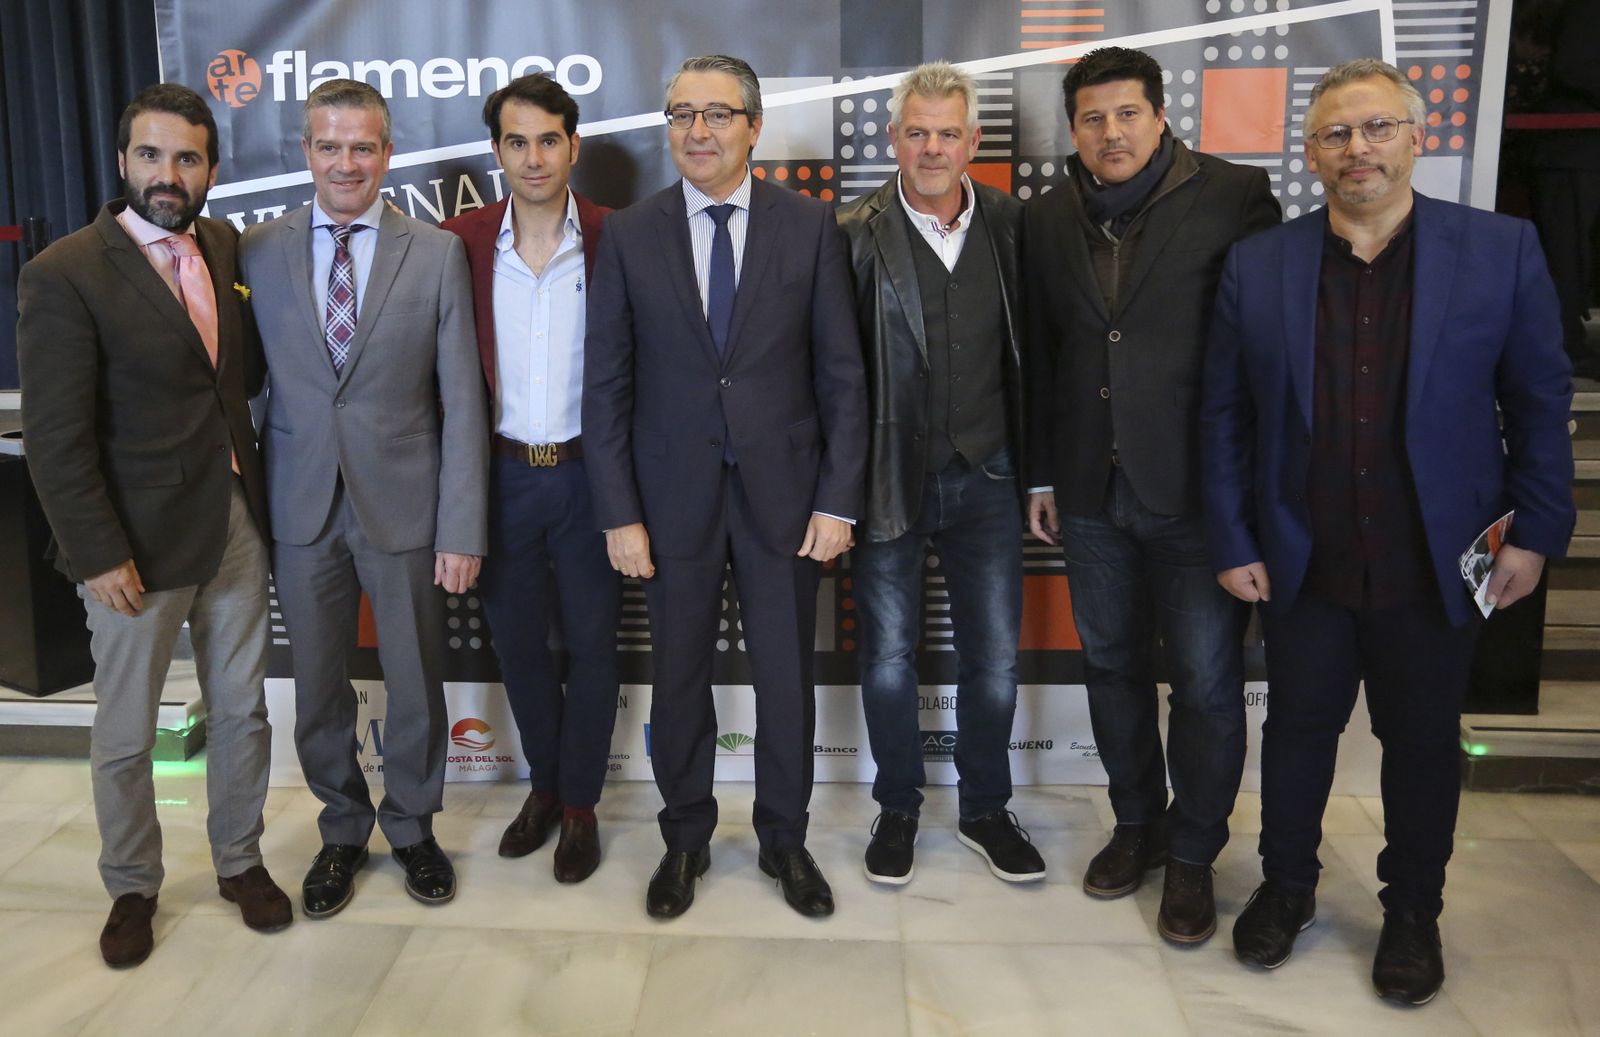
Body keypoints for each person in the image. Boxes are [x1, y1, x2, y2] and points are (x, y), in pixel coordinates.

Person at [1202, 58, 1575, 1004]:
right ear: (1311, 152)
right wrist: (1235, 537)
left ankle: (1413, 912)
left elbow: (1537, 403)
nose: (1355, 148)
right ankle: (1286, 889)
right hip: (1303, 555)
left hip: (1438, 560)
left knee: (1419, 745)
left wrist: (1533, 534)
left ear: (1417, 137)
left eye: (1375, 128)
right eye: (1334, 133)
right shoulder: (1260, 263)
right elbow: (1224, 417)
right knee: (1295, 734)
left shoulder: (1502, 250)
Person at [583, 54, 867, 919]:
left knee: (786, 679)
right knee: (677, 680)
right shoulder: (631, 233)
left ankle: (785, 838)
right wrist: (619, 512)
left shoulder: (812, 227)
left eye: (715, 115)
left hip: (786, 499)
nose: (695, 132)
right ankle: (685, 838)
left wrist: (838, 498)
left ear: (754, 125)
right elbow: (606, 386)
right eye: (680, 114)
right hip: (669, 504)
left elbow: (843, 378)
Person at [18, 83, 290, 966]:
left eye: (187, 158)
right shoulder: (63, 271)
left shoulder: (220, 242)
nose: (168, 175)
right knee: (129, 730)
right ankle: (132, 883)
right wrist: (96, 552)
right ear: (123, 159)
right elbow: (55, 438)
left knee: (243, 710)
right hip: (131, 546)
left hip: (235, 522)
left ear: (212, 168)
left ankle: (240, 860)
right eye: (151, 155)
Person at [1022, 46, 1281, 943]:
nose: (1110, 132)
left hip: (1200, 497)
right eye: (1091, 118)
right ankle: (1138, 825)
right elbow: (1045, 356)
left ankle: (1196, 855)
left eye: (1126, 113)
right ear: (1075, 129)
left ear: (1161, 116)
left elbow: (1264, 354)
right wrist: (1046, 475)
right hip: (1091, 492)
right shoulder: (1047, 217)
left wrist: (1251, 493)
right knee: (1111, 667)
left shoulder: (1236, 198)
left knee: (1208, 686)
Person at [240, 79, 488, 917]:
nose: (345, 161)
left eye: (362, 146)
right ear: (305, 151)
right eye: (328, 144)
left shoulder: (437, 251)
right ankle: (342, 826)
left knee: (416, 676)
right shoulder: (257, 251)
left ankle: (413, 826)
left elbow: (462, 400)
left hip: (406, 504)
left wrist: (462, 523)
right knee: (317, 680)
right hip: (299, 504)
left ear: (387, 151)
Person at [836, 61, 1043, 886]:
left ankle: (987, 807)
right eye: (915, 131)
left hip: (989, 476)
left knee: (992, 659)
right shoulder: (850, 230)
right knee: (888, 655)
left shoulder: (1014, 225)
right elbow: (834, 373)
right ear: (893, 138)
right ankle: (899, 805)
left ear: (973, 142)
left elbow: (1040, 357)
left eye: (947, 132)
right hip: (887, 477)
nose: (930, 147)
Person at [441, 74, 618, 884]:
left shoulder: (619, 238)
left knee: (592, 645)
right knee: (519, 649)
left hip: (591, 477)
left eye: (550, 139)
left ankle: (580, 804)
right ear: (497, 151)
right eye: (517, 141)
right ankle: (543, 788)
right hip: (503, 479)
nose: (535, 156)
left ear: (573, 146)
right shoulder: (460, 242)